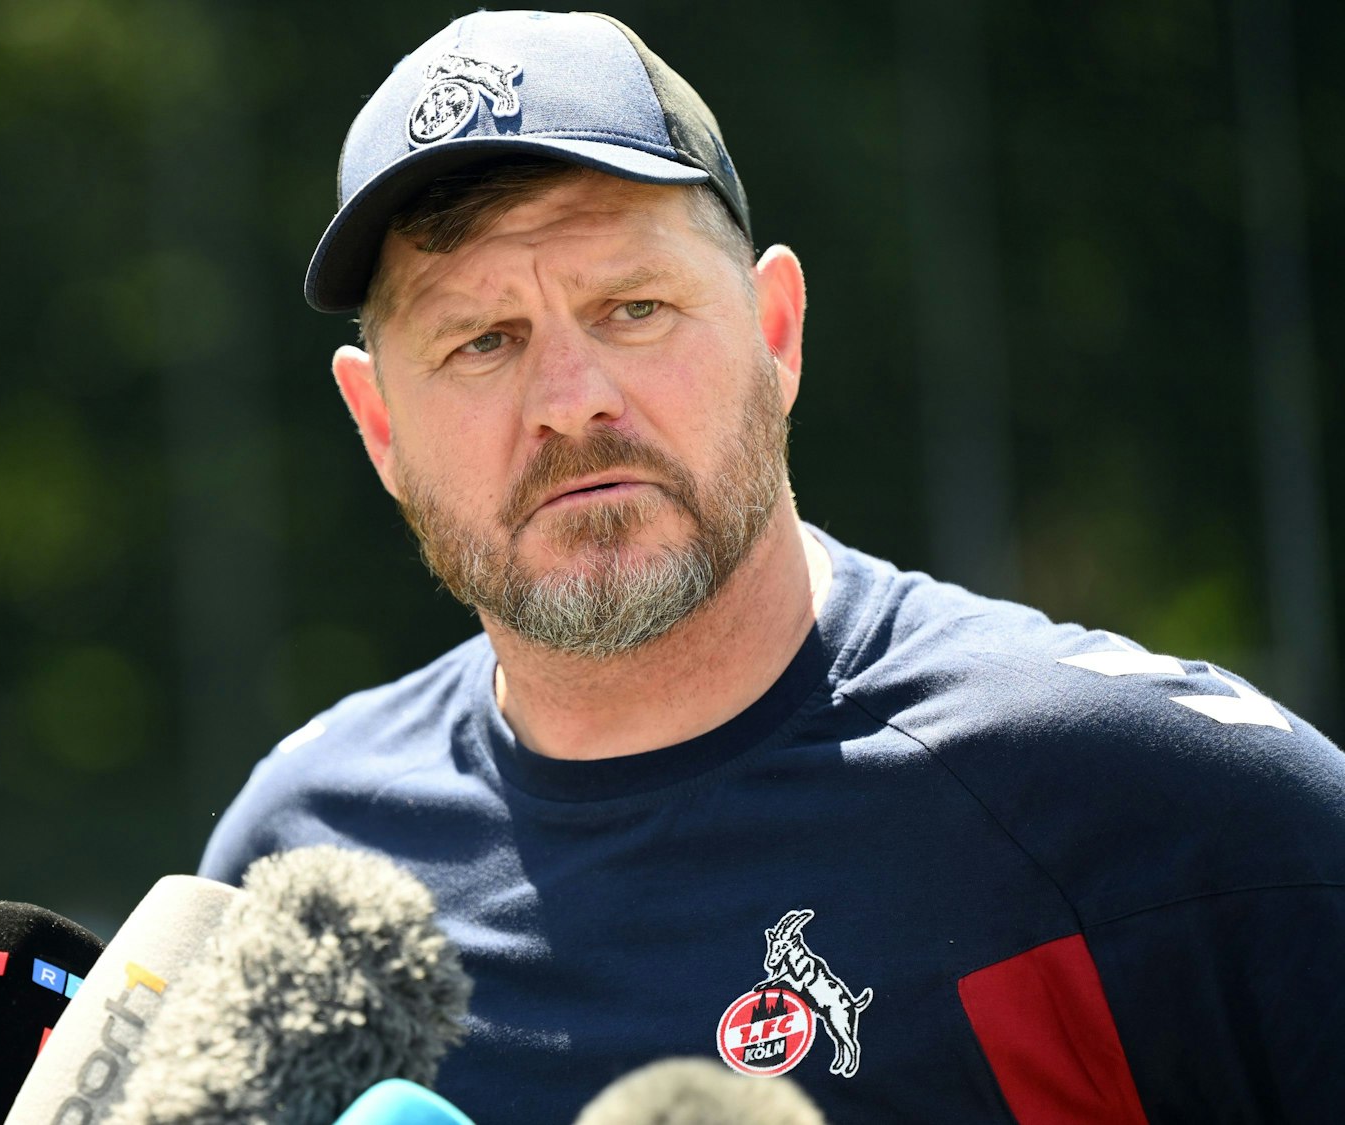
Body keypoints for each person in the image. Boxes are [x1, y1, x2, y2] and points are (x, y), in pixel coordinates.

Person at [199, 10, 1345, 1123]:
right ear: (381, 427)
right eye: (480, 341)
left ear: (775, 334)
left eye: (632, 306)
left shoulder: (1158, 810)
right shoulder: (303, 862)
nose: (568, 399)